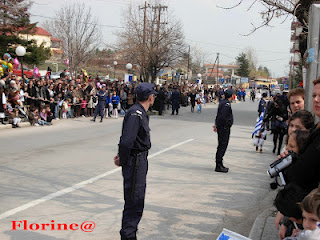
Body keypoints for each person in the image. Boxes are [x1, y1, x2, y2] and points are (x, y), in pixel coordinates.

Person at [113, 82, 156, 240]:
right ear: (150, 97)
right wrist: (123, 159)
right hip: (135, 162)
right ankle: (128, 236)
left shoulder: (140, 112)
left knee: (137, 201)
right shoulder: (135, 113)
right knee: (134, 201)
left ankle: (131, 234)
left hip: (139, 160)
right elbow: (126, 141)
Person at [213, 88, 234, 173]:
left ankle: (220, 163)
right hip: (224, 128)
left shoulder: (223, 102)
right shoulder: (226, 104)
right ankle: (218, 165)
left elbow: (218, 116)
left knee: (221, 145)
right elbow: (222, 117)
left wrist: (217, 125)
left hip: (221, 127)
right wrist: (225, 125)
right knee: (222, 146)